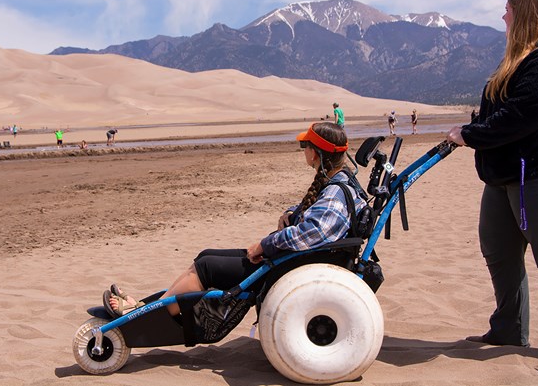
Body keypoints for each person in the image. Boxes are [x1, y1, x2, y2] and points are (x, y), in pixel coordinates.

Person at [104, 122, 367, 318]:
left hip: (289, 265)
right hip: (290, 260)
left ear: (317, 153)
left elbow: (311, 232)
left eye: (305, 146)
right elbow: (316, 220)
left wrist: (264, 245)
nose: (303, 151)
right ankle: (146, 305)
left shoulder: (335, 192)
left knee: (207, 267)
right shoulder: (340, 183)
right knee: (205, 255)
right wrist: (289, 215)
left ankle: (150, 315)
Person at [446, 0, 538, 367]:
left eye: (508, 9)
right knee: (498, 251)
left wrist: (471, 134)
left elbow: (527, 112)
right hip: (503, 176)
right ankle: (508, 328)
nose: (502, 16)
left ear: (527, 12)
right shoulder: (523, 54)